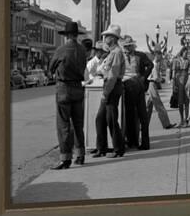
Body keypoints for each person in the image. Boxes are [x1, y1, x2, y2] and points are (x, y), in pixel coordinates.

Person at [48, 21, 87, 169]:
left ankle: (65, 158)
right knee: (78, 124)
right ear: (76, 35)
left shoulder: (62, 49)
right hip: (78, 87)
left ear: (67, 35)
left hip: (64, 88)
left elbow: (51, 68)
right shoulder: (82, 50)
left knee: (63, 125)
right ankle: (81, 154)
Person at [92, 24, 126, 158]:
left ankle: (118, 148)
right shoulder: (112, 52)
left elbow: (112, 75)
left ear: (113, 38)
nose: (105, 38)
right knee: (100, 118)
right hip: (110, 85)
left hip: (112, 86)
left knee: (111, 118)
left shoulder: (116, 52)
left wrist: (105, 93)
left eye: (107, 36)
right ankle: (102, 147)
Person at [121, 35, 153, 150]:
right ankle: (132, 141)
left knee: (142, 114)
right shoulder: (121, 56)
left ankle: (145, 142)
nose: (128, 48)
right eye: (126, 46)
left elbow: (150, 65)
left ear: (133, 46)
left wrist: (144, 77)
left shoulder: (140, 55)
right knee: (129, 115)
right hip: (127, 86)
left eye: (129, 46)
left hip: (138, 85)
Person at [146, 51, 175, 129]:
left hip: (151, 84)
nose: (161, 57)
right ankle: (166, 124)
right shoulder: (154, 65)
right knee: (159, 105)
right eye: (160, 56)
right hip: (152, 84)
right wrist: (161, 80)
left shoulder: (155, 64)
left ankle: (144, 125)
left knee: (148, 107)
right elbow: (155, 78)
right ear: (156, 55)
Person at [171, 47, 190, 127]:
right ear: (182, 52)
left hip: (186, 81)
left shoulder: (188, 61)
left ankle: (186, 120)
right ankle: (181, 119)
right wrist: (173, 84)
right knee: (180, 102)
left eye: (187, 53)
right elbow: (173, 73)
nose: (186, 54)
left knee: (187, 101)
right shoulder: (176, 61)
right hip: (178, 82)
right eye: (185, 53)